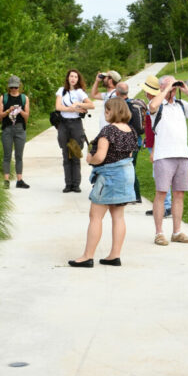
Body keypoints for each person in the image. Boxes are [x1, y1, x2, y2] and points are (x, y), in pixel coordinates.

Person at [68, 97, 137, 268]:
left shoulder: (108, 131)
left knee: (95, 217)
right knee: (118, 216)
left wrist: (90, 159)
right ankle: (115, 255)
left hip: (109, 177)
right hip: (126, 175)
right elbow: (129, 155)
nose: (105, 114)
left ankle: (87, 256)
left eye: (107, 111)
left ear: (115, 111)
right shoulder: (131, 130)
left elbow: (100, 157)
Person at [148, 75, 188, 245]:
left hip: (182, 155)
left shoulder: (181, 105)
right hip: (164, 156)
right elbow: (152, 106)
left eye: (174, 87)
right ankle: (159, 233)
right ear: (160, 88)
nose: (173, 90)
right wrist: (166, 89)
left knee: (179, 194)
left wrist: (186, 90)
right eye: (170, 87)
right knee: (161, 193)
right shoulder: (156, 105)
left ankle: (177, 232)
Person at [55, 69, 94, 193]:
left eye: (75, 77)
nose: (73, 79)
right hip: (64, 124)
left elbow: (91, 105)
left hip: (76, 124)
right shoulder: (61, 90)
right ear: (68, 78)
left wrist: (79, 105)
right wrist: (70, 109)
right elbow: (58, 107)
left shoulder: (80, 92)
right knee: (66, 155)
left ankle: (76, 184)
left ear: (78, 79)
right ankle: (68, 184)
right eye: (71, 76)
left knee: (75, 154)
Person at [140, 75, 172, 218]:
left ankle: (166, 206)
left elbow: (156, 130)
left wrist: (154, 151)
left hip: (157, 145)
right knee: (158, 176)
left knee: (160, 175)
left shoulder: (156, 105)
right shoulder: (152, 103)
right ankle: (162, 205)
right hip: (152, 144)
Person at [0, 75, 31, 189]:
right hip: (7, 129)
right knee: (7, 155)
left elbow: (26, 117)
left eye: (16, 87)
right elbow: (0, 116)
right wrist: (8, 110)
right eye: (12, 87)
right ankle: (6, 180)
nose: (14, 89)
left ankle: (19, 180)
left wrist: (19, 110)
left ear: (19, 86)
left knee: (19, 155)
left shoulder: (24, 98)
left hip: (20, 129)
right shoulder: (3, 98)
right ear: (8, 87)